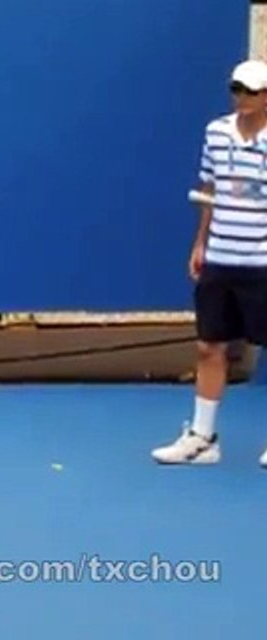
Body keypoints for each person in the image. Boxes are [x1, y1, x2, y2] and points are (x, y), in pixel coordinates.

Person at [152, 59, 267, 467]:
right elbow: (209, 191)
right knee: (208, 346)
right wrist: (200, 243)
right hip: (221, 258)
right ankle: (203, 438)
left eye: (250, 91)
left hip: (262, 261)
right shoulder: (216, 133)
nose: (242, 98)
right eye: (237, 89)